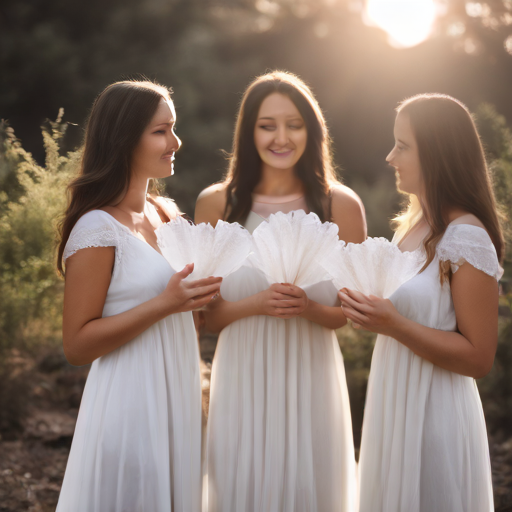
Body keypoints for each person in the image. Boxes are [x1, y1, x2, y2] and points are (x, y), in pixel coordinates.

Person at [195, 71, 366, 512]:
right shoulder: (216, 204)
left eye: (294, 123)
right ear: (248, 131)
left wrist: (308, 306)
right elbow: (208, 317)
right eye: (267, 125)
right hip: (241, 375)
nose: (281, 137)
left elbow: (348, 314)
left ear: (312, 129)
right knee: (240, 490)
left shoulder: (340, 205)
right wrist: (255, 303)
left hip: (312, 375)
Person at [55, 80, 222, 512]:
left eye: (174, 128)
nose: (175, 141)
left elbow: (187, 313)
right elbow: (77, 344)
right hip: (131, 401)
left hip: (178, 394)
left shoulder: (166, 213)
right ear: (124, 138)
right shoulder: (97, 227)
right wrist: (165, 303)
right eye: (161, 131)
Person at [339, 93, 504, 512]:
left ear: (438, 153)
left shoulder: (466, 237)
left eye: (403, 145)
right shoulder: (411, 228)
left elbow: (479, 357)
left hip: (434, 414)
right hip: (394, 404)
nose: (390, 157)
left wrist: (394, 324)